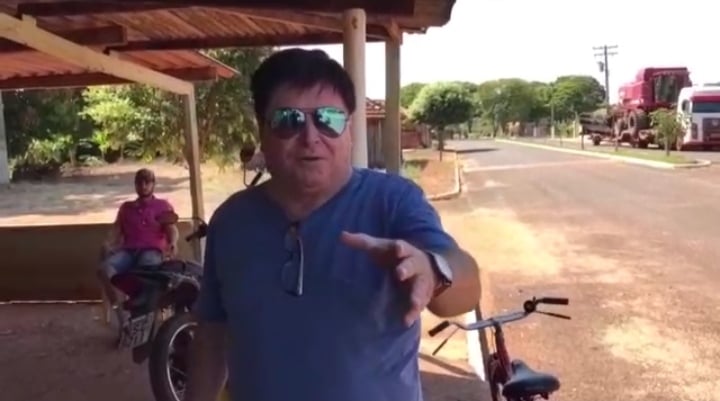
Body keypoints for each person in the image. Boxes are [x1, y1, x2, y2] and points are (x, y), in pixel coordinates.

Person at [185, 48, 481, 401]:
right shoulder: (231, 221)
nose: (311, 136)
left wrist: (435, 271)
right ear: (262, 131)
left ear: (350, 130)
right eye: (289, 119)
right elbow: (212, 335)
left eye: (329, 119)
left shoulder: (393, 201)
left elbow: (466, 287)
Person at [98, 168, 179, 313]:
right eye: (140, 183)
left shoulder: (162, 206)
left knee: (145, 269)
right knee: (105, 269)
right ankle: (119, 307)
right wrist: (108, 244)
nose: (143, 186)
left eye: (147, 182)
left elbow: (171, 229)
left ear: (153, 184)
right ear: (135, 185)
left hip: (152, 250)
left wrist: (173, 242)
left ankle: (142, 307)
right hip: (128, 251)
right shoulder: (126, 208)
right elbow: (116, 230)